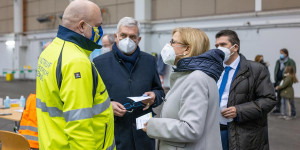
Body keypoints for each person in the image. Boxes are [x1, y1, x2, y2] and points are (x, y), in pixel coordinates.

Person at [36, 0, 115, 149]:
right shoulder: (76, 62)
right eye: (98, 26)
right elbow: (79, 125)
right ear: (82, 26)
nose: (100, 30)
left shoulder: (50, 51)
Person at [143, 27, 223, 150]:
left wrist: (153, 125)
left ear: (187, 49)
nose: (168, 46)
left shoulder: (195, 79)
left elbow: (191, 129)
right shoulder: (191, 76)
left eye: (173, 42)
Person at [93, 17, 164, 150]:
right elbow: (90, 98)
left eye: (132, 36)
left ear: (139, 39)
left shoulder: (149, 61)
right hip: (115, 135)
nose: (127, 40)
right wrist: (108, 106)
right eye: (123, 35)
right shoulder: (100, 63)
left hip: (144, 136)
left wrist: (154, 96)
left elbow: (159, 90)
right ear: (116, 36)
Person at [215, 30, 276, 150]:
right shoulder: (216, 70)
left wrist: (239, 110)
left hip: (243, 134)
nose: (218, 49)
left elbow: (269, 100)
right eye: (216, 46)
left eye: (223, 45)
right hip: (215, 130)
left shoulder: (256, 70)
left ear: (235, 47)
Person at [273, 48, 296, 114]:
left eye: (282, 53)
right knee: (279, 95)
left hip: (285, 80)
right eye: (280, 53)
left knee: (286, 97)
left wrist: (289, 77)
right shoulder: (278, 61)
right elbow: (276, 69)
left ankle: (290, 112)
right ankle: (278, 109)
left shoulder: (290, 61)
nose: (281, 55)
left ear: (286, 54)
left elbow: (293, 70)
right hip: (278, 80)